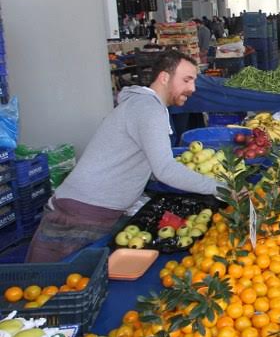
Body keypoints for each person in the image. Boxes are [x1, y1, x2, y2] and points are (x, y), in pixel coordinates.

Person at [26, 52, 222, 262]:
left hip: (88, 208)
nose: (192, 88)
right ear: (164, 77)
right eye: (187, 80)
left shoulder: (145, 105)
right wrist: (221, 188)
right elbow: (165, 170)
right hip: (80, 214)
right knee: (49, 285)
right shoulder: (148, 109)